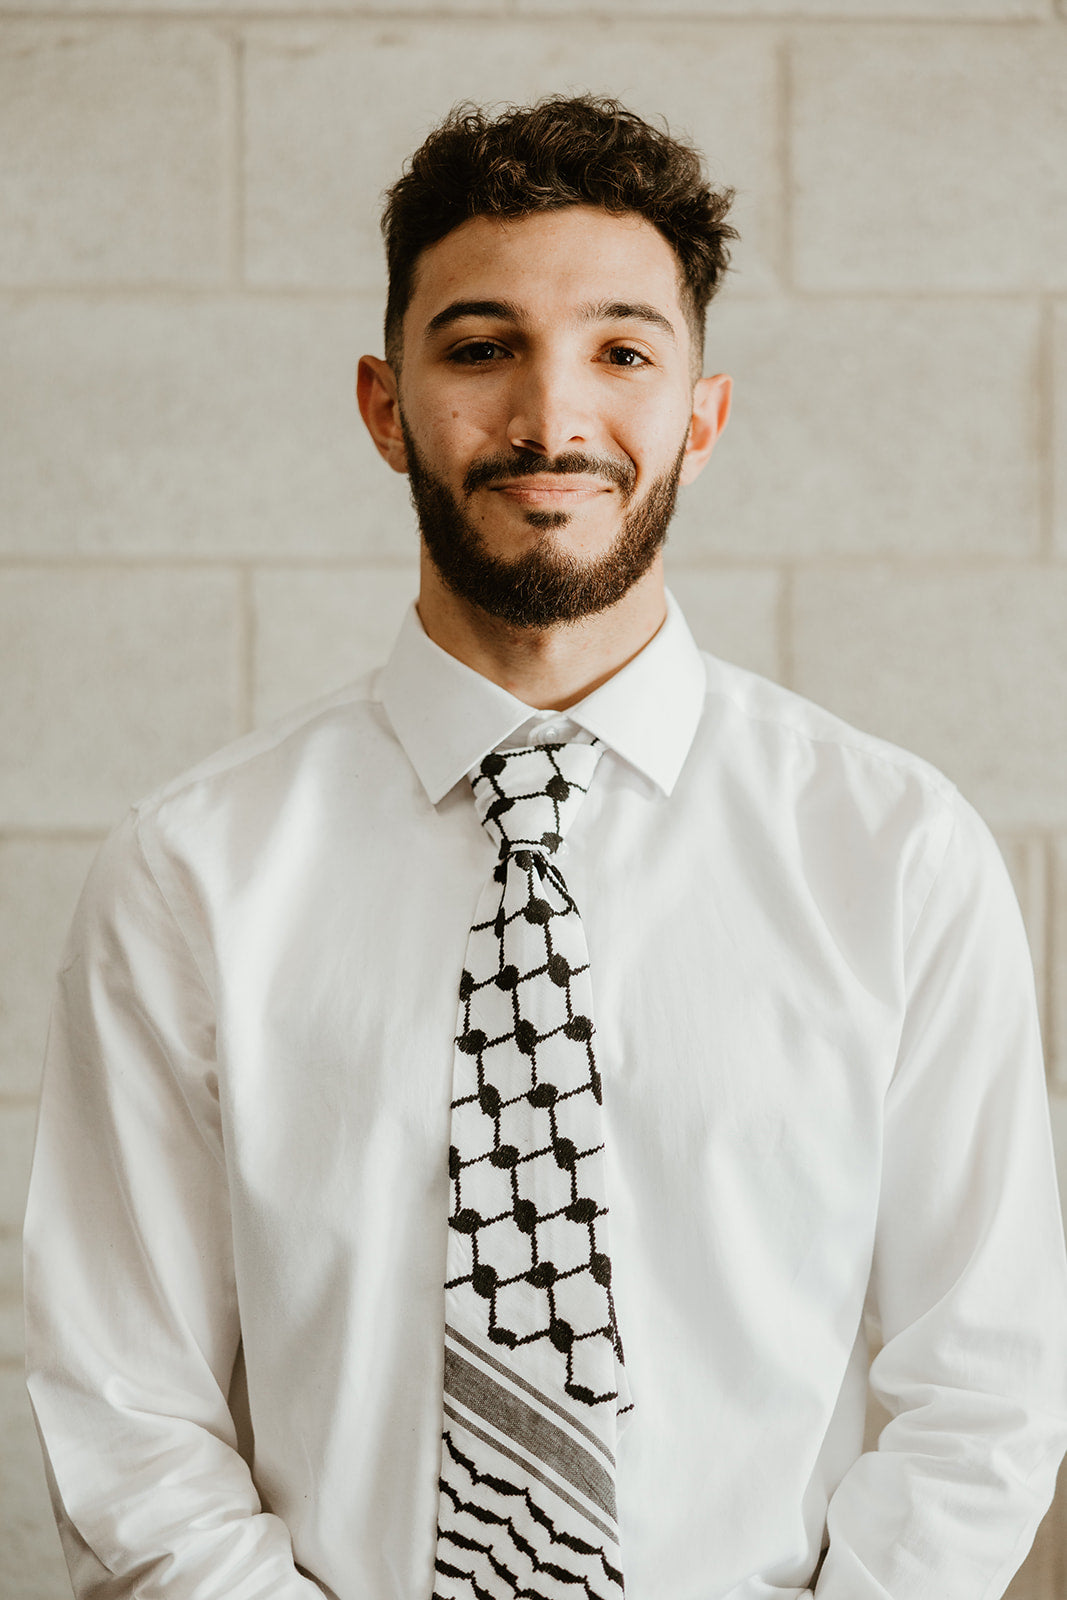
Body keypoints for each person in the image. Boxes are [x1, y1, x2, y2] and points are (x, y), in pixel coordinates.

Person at [23, 95, 1067, 1600]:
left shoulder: (898, 857)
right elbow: (124, 1413)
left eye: (623, 351)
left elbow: (984, 1390)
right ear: (386, 405)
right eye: (480, 347)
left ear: (700, 421)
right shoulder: (189, 877)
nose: (553, 419)